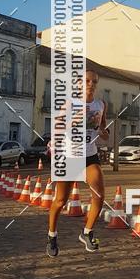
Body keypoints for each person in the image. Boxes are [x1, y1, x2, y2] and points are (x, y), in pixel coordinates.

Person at [47, 68, 109, 257]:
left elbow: (104, 133)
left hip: (89, 156)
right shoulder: (70, 103)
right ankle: (52, 236)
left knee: (99, 195)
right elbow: (57, 130)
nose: (91, 85)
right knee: (60, 201)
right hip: (69, 156)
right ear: (79, 84)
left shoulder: (100, 105)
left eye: (95, 82)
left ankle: (87, 232)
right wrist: (73, 121)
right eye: (87, 81)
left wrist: (103, 133)